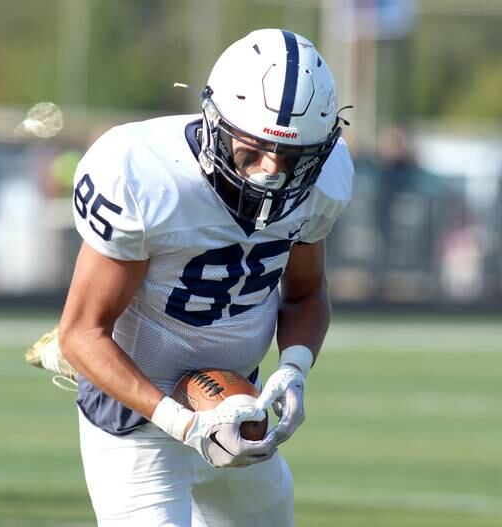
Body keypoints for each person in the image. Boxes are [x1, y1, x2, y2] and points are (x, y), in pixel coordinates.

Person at [26, 28, 353, 525]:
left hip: (236, 404)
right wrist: (181, 424)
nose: (271, 172)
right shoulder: (146, 175)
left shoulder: (323, 182)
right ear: (216, 121)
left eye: (293, 158)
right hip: (136, 416)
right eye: (255, 148)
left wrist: (294, 370)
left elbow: (306, 294)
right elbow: (81, 334)